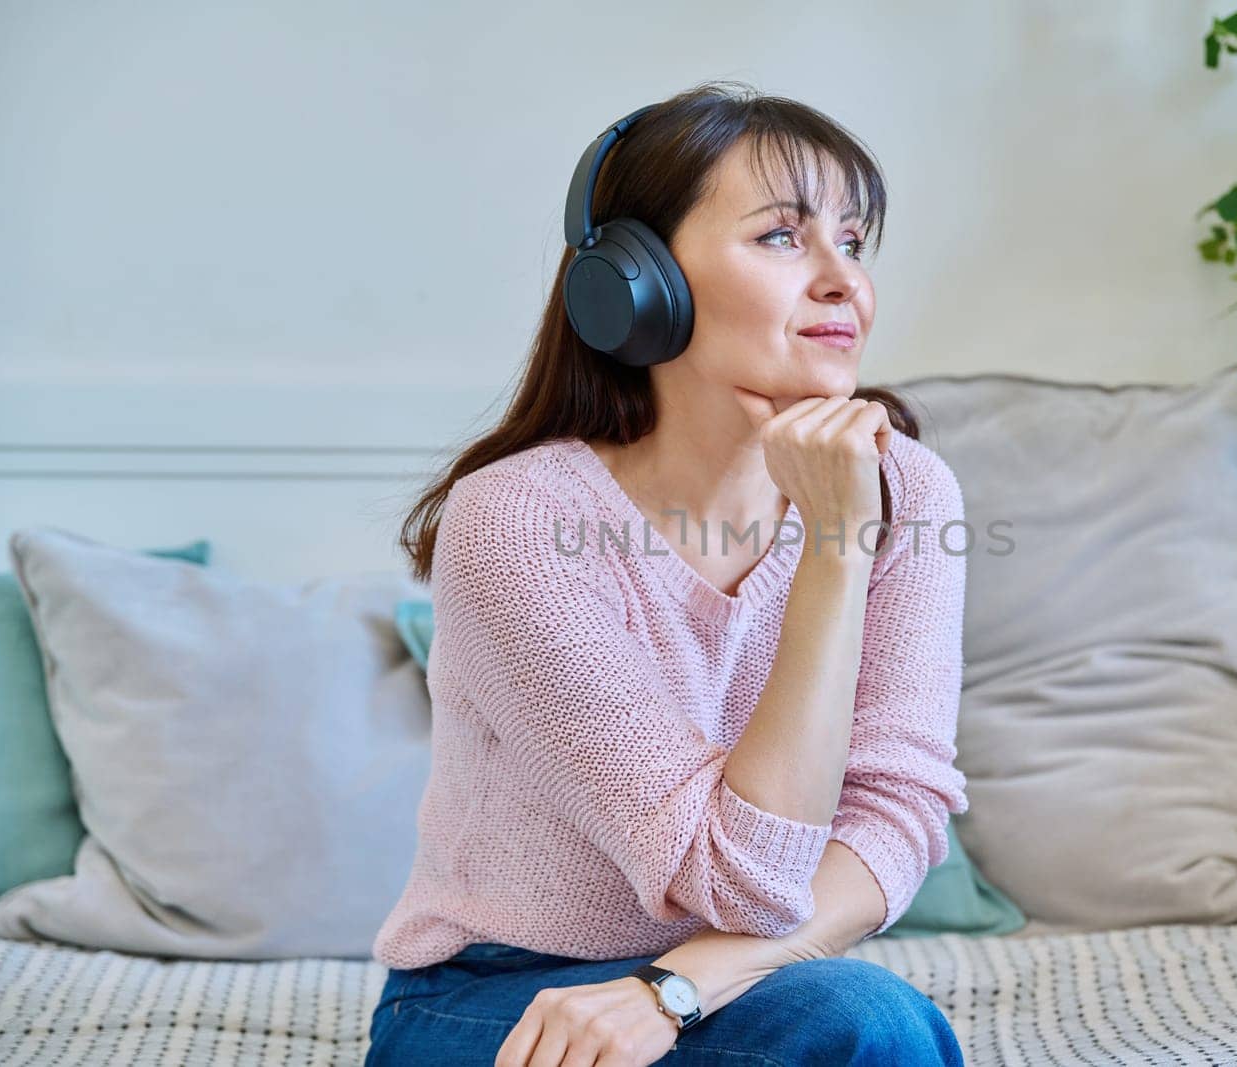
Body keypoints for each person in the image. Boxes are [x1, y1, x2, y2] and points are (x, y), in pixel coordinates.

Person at [367, 79, 970, 1067]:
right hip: (498, 994)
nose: (842, 281)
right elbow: (739, 878)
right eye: (783, 236)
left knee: (861, 1014)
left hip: (728, 986)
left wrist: (676, 986)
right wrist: (830, 548)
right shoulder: (519, 519)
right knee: (859, 1020)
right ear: (637, 281)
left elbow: (895, 815)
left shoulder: (905, 485)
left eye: (853, 243)